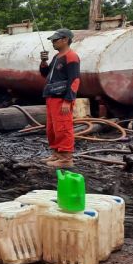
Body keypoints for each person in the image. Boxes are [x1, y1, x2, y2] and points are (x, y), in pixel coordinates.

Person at [39, 28, 81, 168]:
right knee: (52, 128)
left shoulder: (71, 56)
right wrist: (43, 62)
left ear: (65, 40)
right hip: (52, 96)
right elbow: (46, 74)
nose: (53, 42)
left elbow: (74, 80)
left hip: (62, 98)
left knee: (63, 127)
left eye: (55, 40)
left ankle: (65, 158)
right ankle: (56, 153)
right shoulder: (57, 57)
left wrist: (68, 100)